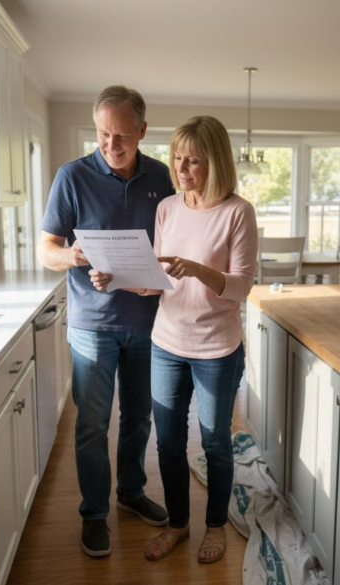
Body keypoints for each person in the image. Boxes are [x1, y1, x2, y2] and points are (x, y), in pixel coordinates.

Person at [90, 115, 258, 563]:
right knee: (166, 442)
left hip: (217, 349)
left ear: (216, 162)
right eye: (178, 159)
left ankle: (216, 526)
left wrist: (199, 269)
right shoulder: (168, 207)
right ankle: (181, 525)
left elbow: (242, 287)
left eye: (194, 161)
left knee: (216, 442)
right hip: (166, 342)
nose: (182, 170)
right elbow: (156, 282)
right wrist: (116, 279)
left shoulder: (237, 212)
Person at [37, 86, 174, 558]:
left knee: (139, 417)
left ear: (142, 130)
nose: (111, 145)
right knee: (93, 424)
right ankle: (94, 512)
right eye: (102, 134)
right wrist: (71, 255)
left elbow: (177, 241)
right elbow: (46, 250)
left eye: (121, 136)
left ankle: (130, 492)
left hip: (149, 322)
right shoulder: (71, 176)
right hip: (92, 325)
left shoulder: (162, 176)